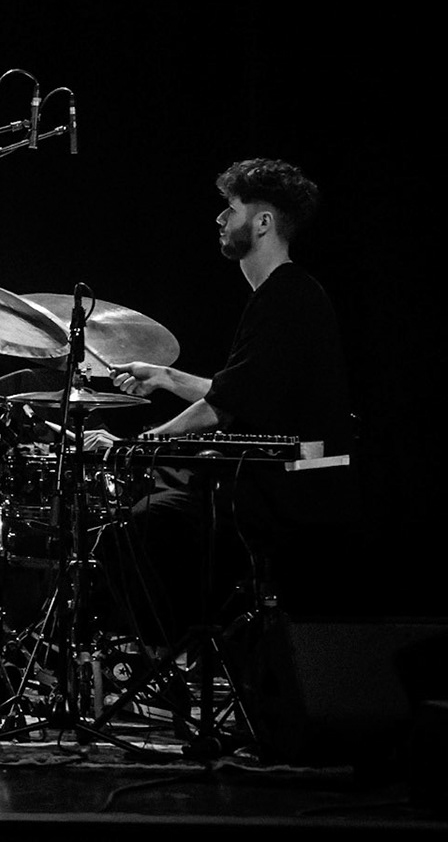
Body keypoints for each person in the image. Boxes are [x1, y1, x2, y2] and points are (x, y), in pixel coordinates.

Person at [87, 159, 354, 645]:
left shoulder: (286, 297)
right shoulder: (286, 294)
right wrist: (164, 376)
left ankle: (170, 655)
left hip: (292, 490)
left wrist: (139, 443)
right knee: (164, 498)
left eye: (230, 209)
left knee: (138, 526)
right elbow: (241, 389)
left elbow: (225, 406)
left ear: (263, 223)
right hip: (281, 479)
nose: (219, 219)